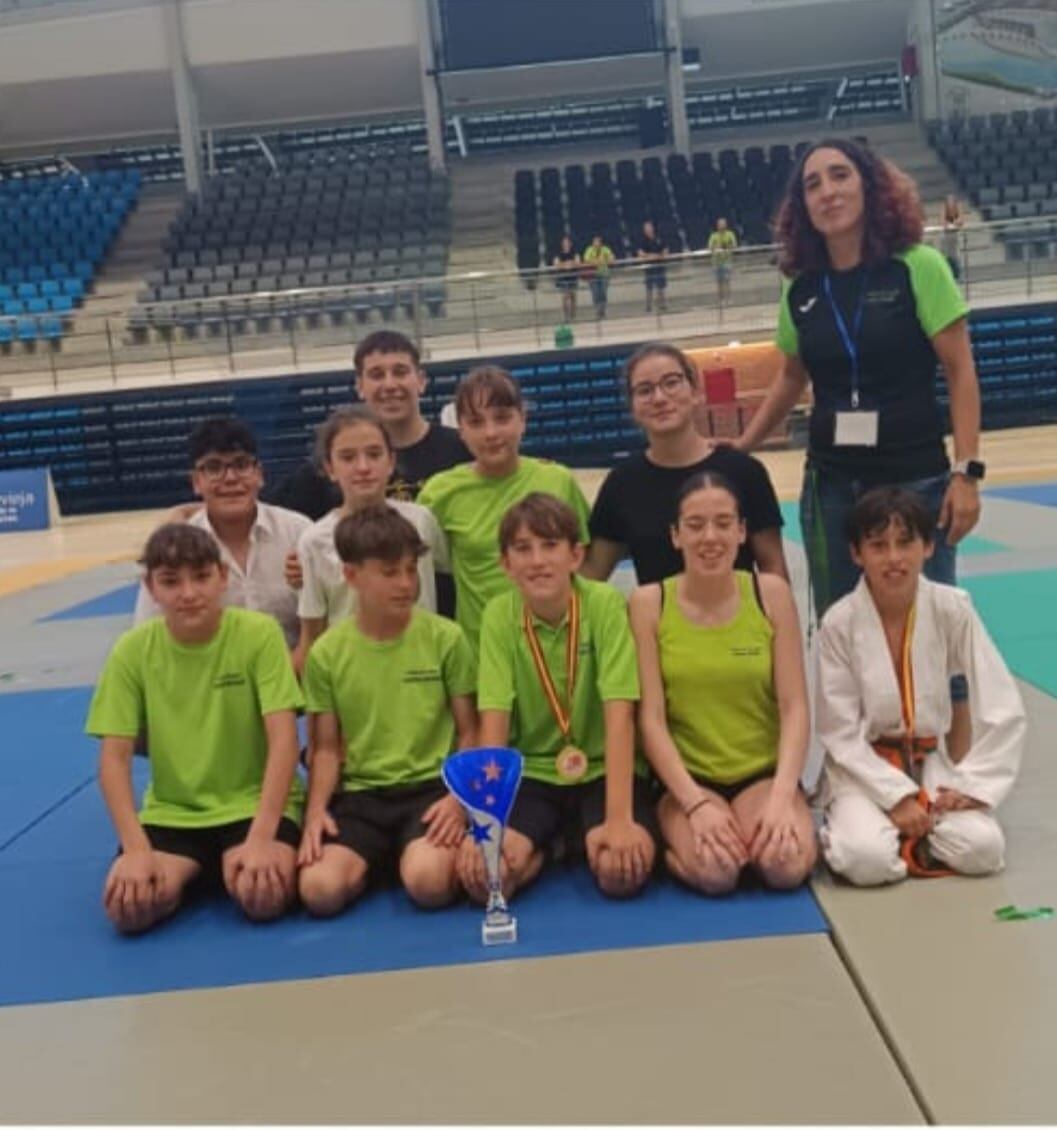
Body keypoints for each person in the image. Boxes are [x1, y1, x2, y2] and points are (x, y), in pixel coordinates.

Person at [734, 138, 984, 627]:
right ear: (802, 206)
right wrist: (742, 445)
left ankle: (942, 708)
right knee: (838, 627)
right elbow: (791, 374)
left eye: (840, 175)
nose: (828, 191)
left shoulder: (918, 266)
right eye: (813, 184)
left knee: (929, 627)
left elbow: (961, 372)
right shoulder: (799, 285)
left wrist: (967, 474)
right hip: (831, 483)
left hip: (916, 479)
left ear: (869, 185)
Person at [87, 524, 305, 933]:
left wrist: (261, 837)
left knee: (264, 896)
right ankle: (201, 872)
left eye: (201, 577)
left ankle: (223, 869)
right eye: (171, 582)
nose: (188, 593)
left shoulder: (258, 635)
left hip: (251, 805)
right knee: (129, 909)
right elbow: (113, 762)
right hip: (174, 813)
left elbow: (284, 742)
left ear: (222, 577)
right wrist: (135, 850)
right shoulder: (132, 652)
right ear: (151, 587)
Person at [817, 487, 1025, 886]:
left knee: (984, 849)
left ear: (928, 547)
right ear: (857, 554)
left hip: (930, 764)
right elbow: (838, 732)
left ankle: (906, 834)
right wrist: (895, 796)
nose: (894, 558)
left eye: (905, 542)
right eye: (878, 546)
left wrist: (976, 784)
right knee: (867, 861)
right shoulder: (838, 623)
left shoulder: (952, 608)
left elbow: (1002, 702)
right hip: (863, 769)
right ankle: (869, 828)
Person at [460, 494, 656, 903]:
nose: (537, 560)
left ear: (575, 555)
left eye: (550, 546)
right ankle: (552, 845)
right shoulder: (499, 615)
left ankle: (571, 838)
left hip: (603, 769)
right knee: (485, 882)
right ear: (505, 563)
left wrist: (619, 819)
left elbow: (620, 715)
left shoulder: (603, 605)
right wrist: (486, 821)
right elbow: (492, 721)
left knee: (622, 875)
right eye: (523, 549)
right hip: (535, 772)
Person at [629, 473, 816, 895]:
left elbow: (795, 708)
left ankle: (765, 829)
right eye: (695, 526)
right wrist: (695, 805)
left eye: (723, 523)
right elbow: (651, 720)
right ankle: (674, 848)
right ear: (676, 536)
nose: (709, 537)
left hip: (761, 775)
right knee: (717, 873)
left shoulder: (771, 595)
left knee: (784, 867)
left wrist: (783, 797)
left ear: (741, 531)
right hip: (690, 779)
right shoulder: (649, 604)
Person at [297, 506, 477, 914]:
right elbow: (324, 748)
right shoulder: (326, 653)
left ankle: (408, 857)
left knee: (429, 884)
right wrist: (315, 813)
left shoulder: (446, 639)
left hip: (431, 791)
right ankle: (378, 858)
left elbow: (471, 731)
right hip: (361, 796)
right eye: (390, 572)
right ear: (351, 575)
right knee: (318, 891)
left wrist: (457, 800)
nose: (406, 584)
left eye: (411, 570)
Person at [583, 342, 788, 586]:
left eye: (671, 382)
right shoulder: (622, 484)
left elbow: (773, 567)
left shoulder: (744, 472)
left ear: (695, 392)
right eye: (645, 390)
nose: (659, 398)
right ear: (633, 407)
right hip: (658, 622)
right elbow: (593, 575)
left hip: (742, 622)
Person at [418, 366, 591, 650]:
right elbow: (434, 569)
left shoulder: (557, 481)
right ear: (460, 430)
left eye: (502, 418)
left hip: (557, 649)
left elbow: (583, 561)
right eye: (476, 422)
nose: (491, 433)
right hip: (482, 654)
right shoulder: (440, 493)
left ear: (522, 419)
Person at [293, 406, 448, 674]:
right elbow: (313, 635)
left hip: (421, 671)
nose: (363, 467)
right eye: (348, 457)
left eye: (374, 454)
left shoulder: (421, 521)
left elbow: (446, 581)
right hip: (352, 677)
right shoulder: (313, 541)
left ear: (390, 461)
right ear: (330, 467)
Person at [133, 417, 309, 649]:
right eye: (214, 468)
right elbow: (148, 633)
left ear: (259, 474)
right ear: (196, 481)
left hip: (295, 672)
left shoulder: (299, 532)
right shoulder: (174, 547)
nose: (230, 478)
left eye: (241, 464)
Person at [269, 330, 470, 518]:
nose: (390, 385)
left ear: (421, 380)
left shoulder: (462, 451)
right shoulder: (332, 467)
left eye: (400, 372)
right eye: (377, 375)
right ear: (360, 386)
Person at [581, 232, 615, 319]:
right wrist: (599, 262)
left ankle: (602, 310)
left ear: (601, 243)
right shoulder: (589, 250)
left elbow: (611, 259)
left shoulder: (605, 249)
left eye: (598, 242)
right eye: (594, 242)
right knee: (595, 293)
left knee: (603, 292)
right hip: (593, 275)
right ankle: (597, 310)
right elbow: (586, 261)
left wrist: (604, 261)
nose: (596, 244)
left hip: (604, 273)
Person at [637, 220, 668, 313]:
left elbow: (665, 251)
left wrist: (657, 256)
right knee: (649, 288)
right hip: (649, 268)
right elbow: (640, 253)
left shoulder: (659, 238)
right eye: (646, 228)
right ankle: (648, 306)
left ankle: (661, 305)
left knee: (660, 287)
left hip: (659, 266)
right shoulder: (642, 240)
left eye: (649, 227)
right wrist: (652, 256)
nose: (648, 229)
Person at [707, 217, 738, 305]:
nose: (722, 226)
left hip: (727, 261)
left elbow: (734, 245)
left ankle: (729, 299)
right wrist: (716, 249)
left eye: (723, 224)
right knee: (719, 282)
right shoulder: (713, 236)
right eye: (720, 224)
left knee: (727, 281)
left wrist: (728, 249)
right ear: (717, 226)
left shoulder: (730, 234)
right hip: (716, 262)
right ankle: (721, 300)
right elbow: (710, 247)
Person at [552, 234, 580, 323]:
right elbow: (556, 265)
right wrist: (567, 264)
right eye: (564, 242)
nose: (566, 244)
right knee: (565, 297)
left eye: (567, 242)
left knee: (573, 296)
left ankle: (573, 315)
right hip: (563, 277)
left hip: (572, 277)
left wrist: (567, 264)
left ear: (570, 244)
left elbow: (577, 262)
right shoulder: (558, 253)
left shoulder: (574, 252)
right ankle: (566, 316)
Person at [940, 194, 964, 280]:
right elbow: (943, 223)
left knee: (956, 255)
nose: (950, 203)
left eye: (952, 201)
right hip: (946, 235)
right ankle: (946, 275)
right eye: (949, 201)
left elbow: (961, 221)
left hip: (955, 234)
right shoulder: (944, 209)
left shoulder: (958, 207)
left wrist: (955, 222)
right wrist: (953, 223)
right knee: (945, 255)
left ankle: (958, 274)